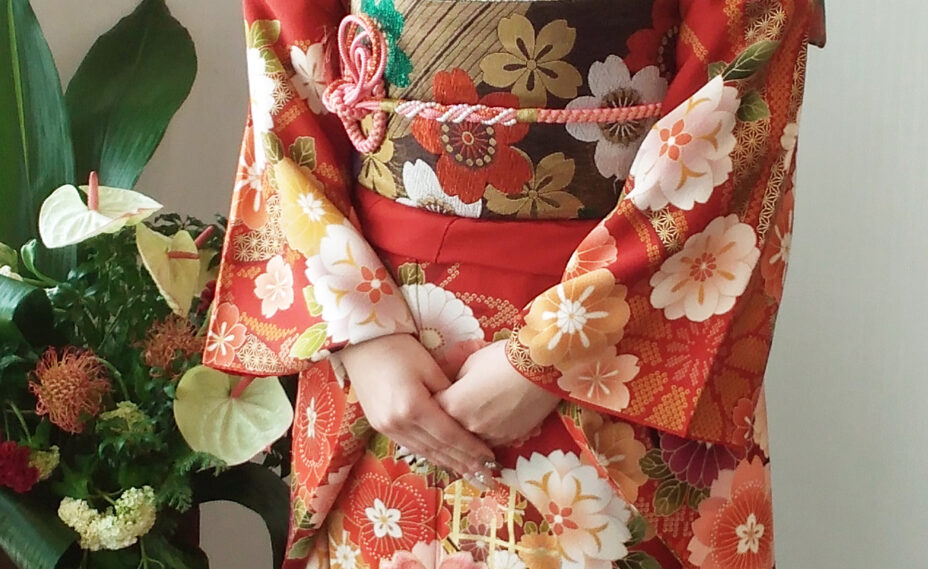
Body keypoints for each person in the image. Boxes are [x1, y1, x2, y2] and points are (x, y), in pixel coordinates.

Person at [203, 1, 818, 568]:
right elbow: (286, 62)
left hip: (609, 341)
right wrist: (359, 330)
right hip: (385, 350)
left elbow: (743, 68)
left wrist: (555, 351)